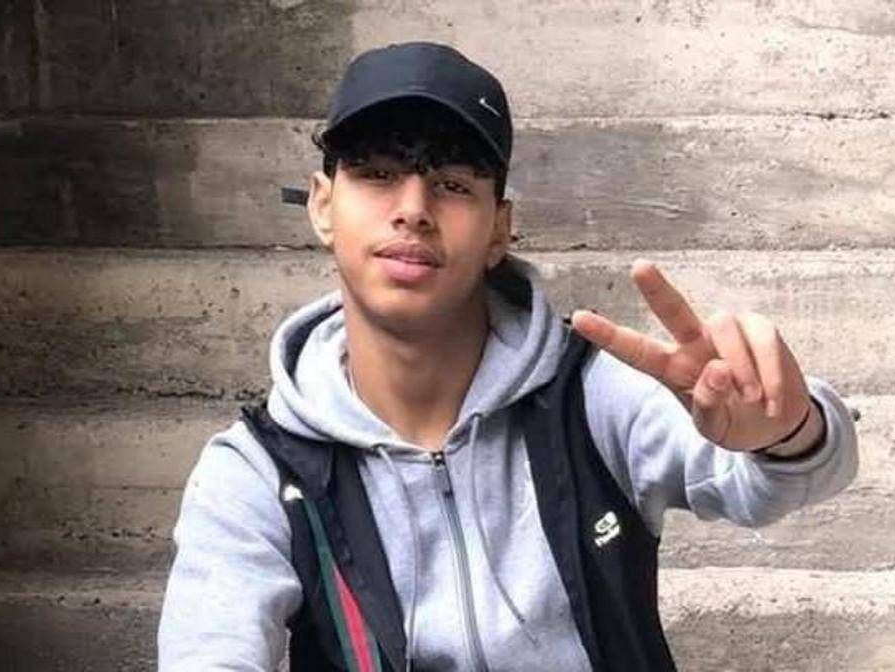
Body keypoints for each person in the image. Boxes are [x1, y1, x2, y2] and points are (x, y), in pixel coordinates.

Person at [157, 41, 858, 672]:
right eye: (376, 173)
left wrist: (788, 431)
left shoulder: (590, 392)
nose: (413, 208)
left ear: (499, 229)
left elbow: (774, 482)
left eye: (453, 184)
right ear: (321, 206)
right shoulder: (260, 468)